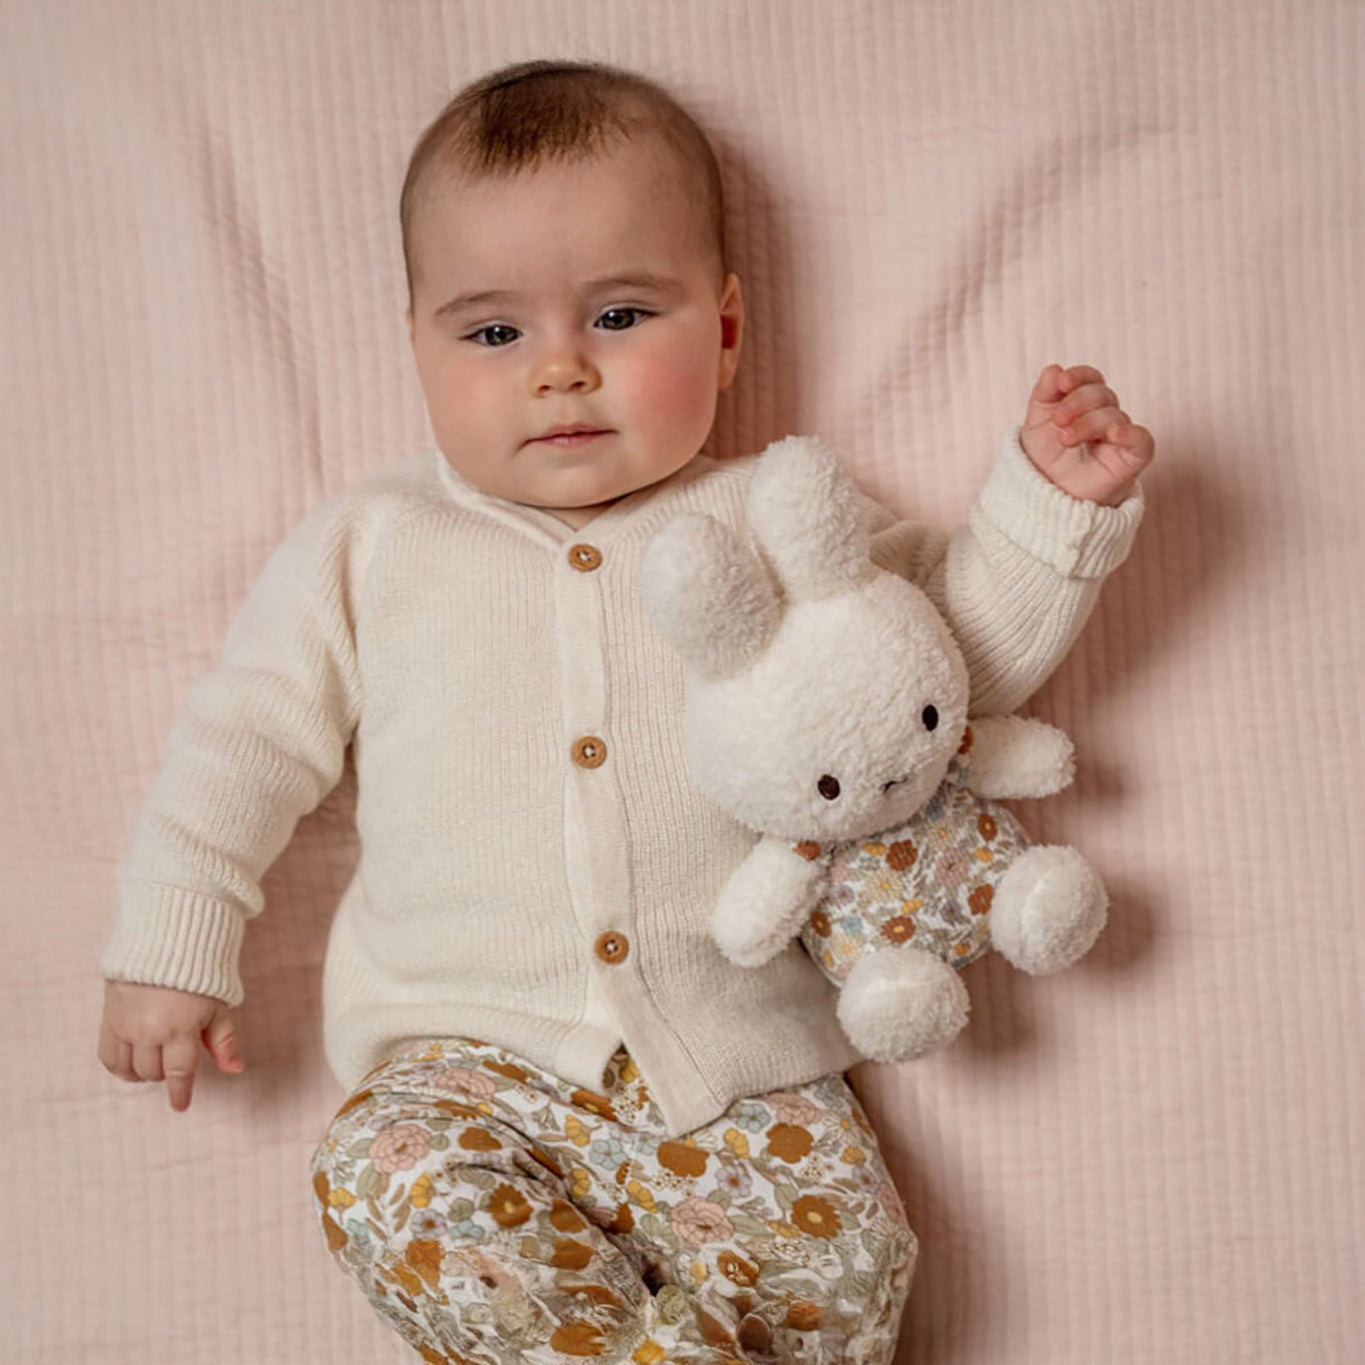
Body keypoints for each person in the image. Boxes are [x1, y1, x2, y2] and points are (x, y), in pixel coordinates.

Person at [96, 59, 1153, 1365]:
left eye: (617, 316)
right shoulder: (370, 545)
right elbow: (243, 738)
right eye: (491, 333)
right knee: (385, 1177)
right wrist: (173, 941)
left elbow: (940, 679)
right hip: (464, 1064)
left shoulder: (779, 512)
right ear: (416, 342)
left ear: (722, 328)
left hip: (736, 1066)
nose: (557, 372)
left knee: (842, 1267)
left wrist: (1047, 507)